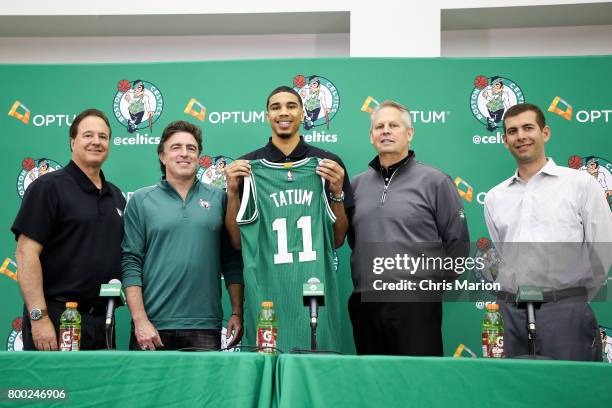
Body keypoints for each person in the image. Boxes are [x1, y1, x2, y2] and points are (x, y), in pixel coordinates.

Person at [224, 85, 353, 352]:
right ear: (267, 116)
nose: (284, 112)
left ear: (302, 113)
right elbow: (237, 242)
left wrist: (337, 192)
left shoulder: (327, 164)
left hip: (314, 294)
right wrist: (233, 191)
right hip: (267, 298)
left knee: (318, 375)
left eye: (291, 106)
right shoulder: (248, 167)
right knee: (266, 377)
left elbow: (337, 239)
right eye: (276, 107)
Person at [484, 103, 612, 360]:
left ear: (545, 133)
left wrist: (568, 298)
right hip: (510, 314)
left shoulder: (580, 184)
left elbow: (603, 250)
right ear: (505, 140)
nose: (521, 136)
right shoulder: (495, 197)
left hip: (566, 311)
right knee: (513, 396)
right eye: (512, 131)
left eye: (528, 128)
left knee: (569, 394)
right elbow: (503, 252)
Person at [348, 100, 469, 356]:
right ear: (371, 136)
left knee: (419, 383)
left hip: (416, 304)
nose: (386, 130)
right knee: (374, 384)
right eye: (379, 126)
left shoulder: (436, 181)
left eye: (394, 125)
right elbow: (354, 242)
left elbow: (458, 247)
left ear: (409, 133)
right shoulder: (356, 185)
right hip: (366, 303)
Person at [122, 120, 243, 351]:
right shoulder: (141, 200)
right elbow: (131, 263)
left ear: (199, 156)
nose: (184, 154)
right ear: (162, 156)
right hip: (153, 327)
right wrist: (140, 321)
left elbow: (232, 262)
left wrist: (237, 312)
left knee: (202, 389)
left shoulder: (220, 199)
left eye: (191, 148)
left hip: (206, 326)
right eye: (176, 147)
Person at [12, 108, 125, 351]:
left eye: (103, 136)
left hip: (102, 321)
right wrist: (39, 318)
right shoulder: (47, 187)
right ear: (72, 141)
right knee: (55, 388)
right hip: (57, 317)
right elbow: (25, 254)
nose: (96, 141)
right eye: (88, 135)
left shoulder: (116, 196)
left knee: (99, 389)